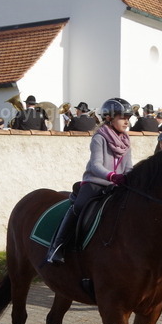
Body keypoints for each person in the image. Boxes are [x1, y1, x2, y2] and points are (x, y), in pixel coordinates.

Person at [46, 98, 134, 264]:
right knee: (78, 206)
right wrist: (112, 176)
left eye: (128, 118)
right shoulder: (99, 137)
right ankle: (57, 247)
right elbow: (95, 165)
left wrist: (130, 178)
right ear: (109, 117)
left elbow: (128, 167)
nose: (127, 121)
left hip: (118, 185)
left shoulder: (126, 141)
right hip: (95, 182)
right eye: (123, 117)